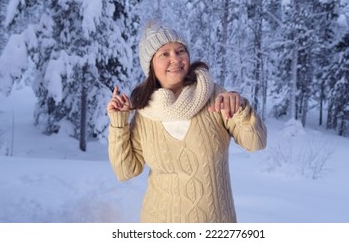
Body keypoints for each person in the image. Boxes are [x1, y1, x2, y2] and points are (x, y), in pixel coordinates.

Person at [107, 22, 267, 223]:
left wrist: (240, 108)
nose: (175, 58)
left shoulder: (215, 96)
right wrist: (119, 122)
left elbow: (256, 142)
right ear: (150, 65)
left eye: (180, 51)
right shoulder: (145, 113)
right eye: (164, 54)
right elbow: (125, 171)